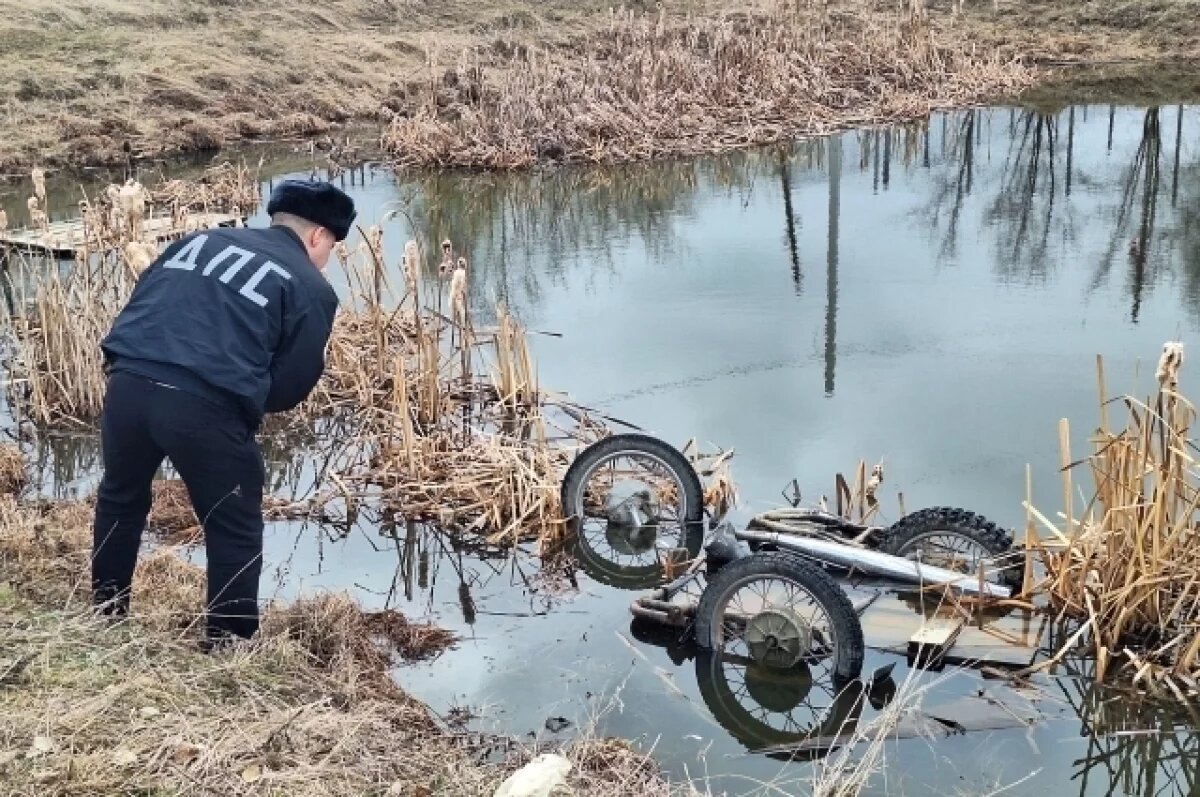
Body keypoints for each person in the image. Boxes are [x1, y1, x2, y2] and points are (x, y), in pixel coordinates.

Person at [91, 179, 355, 648]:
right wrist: (244, 395)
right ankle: (227, 644)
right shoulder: (310, 286)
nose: (326, 258)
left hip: (128, 381)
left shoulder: (198, 241)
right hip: (204, 405)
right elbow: (290, 386)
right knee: (233, 524)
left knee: (120, 498)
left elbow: (143, 305)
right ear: (318, 235)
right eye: (331, 246)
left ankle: (106, 615)